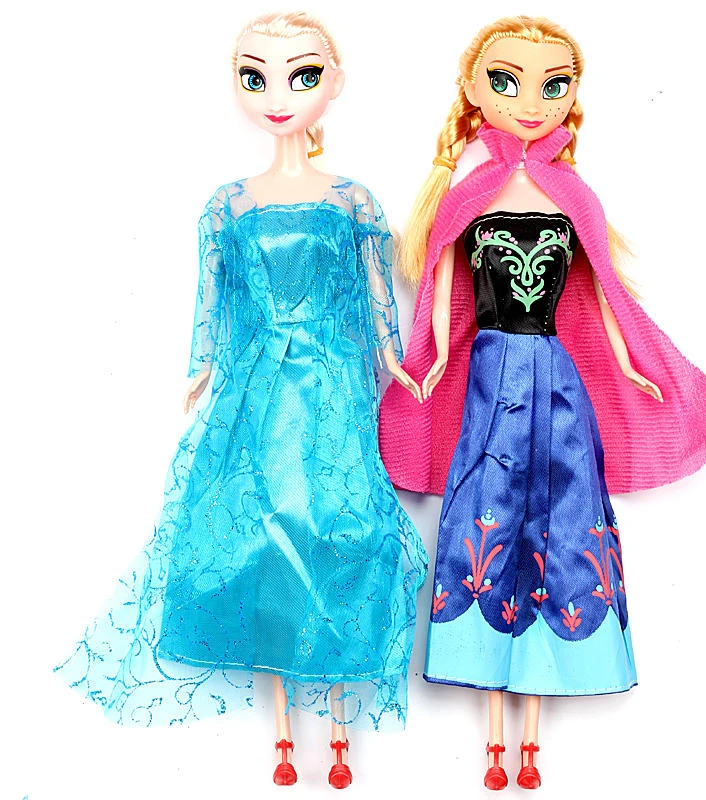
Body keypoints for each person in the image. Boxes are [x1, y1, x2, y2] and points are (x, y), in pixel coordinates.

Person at [55, 11, 427, 789]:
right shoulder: (227, 202)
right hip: (258, 383)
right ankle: (286, 731)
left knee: (342, 528)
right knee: (260, 531)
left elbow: (375, 295)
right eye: (255, 77)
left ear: (334, 83)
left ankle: (337, 723)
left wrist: (393, 360)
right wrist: (201, 369)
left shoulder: (353, 199)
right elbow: (211, 300)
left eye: (302, 75)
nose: (278, 95)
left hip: (333, 381)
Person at [378, 15, 706, 791]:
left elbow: (602, 294)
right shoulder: (467, 196)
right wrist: (431, 364)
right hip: (489, 375)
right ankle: (494, 722)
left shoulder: (573, 196)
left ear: (571, 95)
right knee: (484, 509)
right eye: (507, 81)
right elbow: (442, 294)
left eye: (552, 84)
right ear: (474, 89)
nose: (531, 101)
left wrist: (631, 363)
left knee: (566, 508)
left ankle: (533, 722)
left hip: (557, 375)